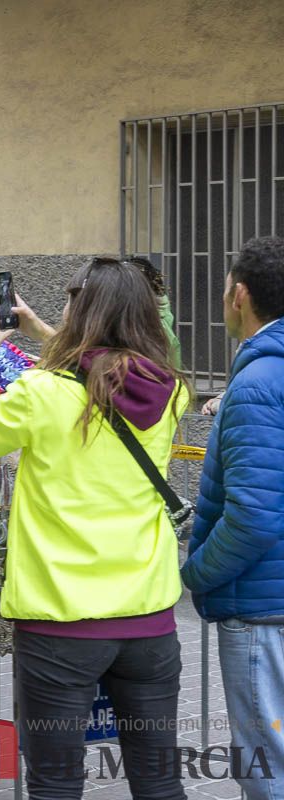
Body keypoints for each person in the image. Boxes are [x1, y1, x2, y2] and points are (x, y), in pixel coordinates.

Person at [0, 257, 190, 800]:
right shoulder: (172, 392)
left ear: (83, 312)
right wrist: (43, 331)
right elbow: (108, 372)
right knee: (159, 782)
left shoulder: (43, 393)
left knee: (56, 784)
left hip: (61, 624)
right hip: (149, 622)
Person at [181, 236, 284, 800]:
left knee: (267, 772)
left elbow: (253, 517)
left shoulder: (255, 385)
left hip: (262, 612)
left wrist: (195, 572)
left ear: (239, 295)